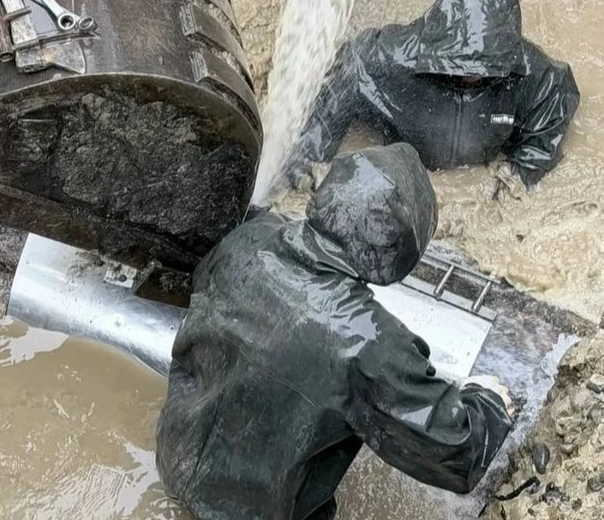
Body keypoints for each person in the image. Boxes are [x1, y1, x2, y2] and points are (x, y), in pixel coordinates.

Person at [156, 143, 514, 520]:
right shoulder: (367, 339)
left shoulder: (247, 239)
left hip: (176, 459)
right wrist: (488, 400)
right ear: (400, 247)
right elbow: (457, 452)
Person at [287, 0, 580, 193]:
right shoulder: (386, 58)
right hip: (404, 158)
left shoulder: (534, 74)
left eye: (482, 72)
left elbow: (549, 120)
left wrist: (517, 175)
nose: (471, 78)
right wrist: (310, 157)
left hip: (482, 159)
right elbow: (343, 81)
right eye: (459, 68)